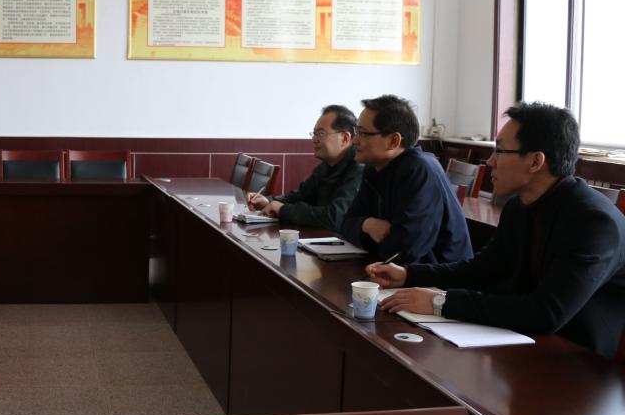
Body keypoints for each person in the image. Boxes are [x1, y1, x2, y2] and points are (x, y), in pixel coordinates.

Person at [372, 102, 625, 359]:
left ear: (535, 161)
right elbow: (484, 269)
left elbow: (546, 313)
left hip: (580, 360)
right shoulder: (520, 206)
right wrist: (410, 275)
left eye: (500, 151)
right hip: (524, 341)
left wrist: (440, 302)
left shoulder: (595, 223)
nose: (490, 161)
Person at [339, 94, 472, 264]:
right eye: (357, 131)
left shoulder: (419, 171)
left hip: (439, 276)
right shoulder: (374, 168)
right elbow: (346, 224)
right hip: (394, 269)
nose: (354, 140)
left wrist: (364, 233)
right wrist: (367, 224)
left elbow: (403, 251)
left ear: (393, 141)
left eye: (363, 133)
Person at [247, 104, 363, 230]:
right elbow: (301, 196)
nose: (314, 140)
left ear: (345, 138)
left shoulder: (359, 169)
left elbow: (334, 217)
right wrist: (269, 201)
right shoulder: (326, 166)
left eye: (321, 133)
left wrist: (282, 209)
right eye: (314, 133)